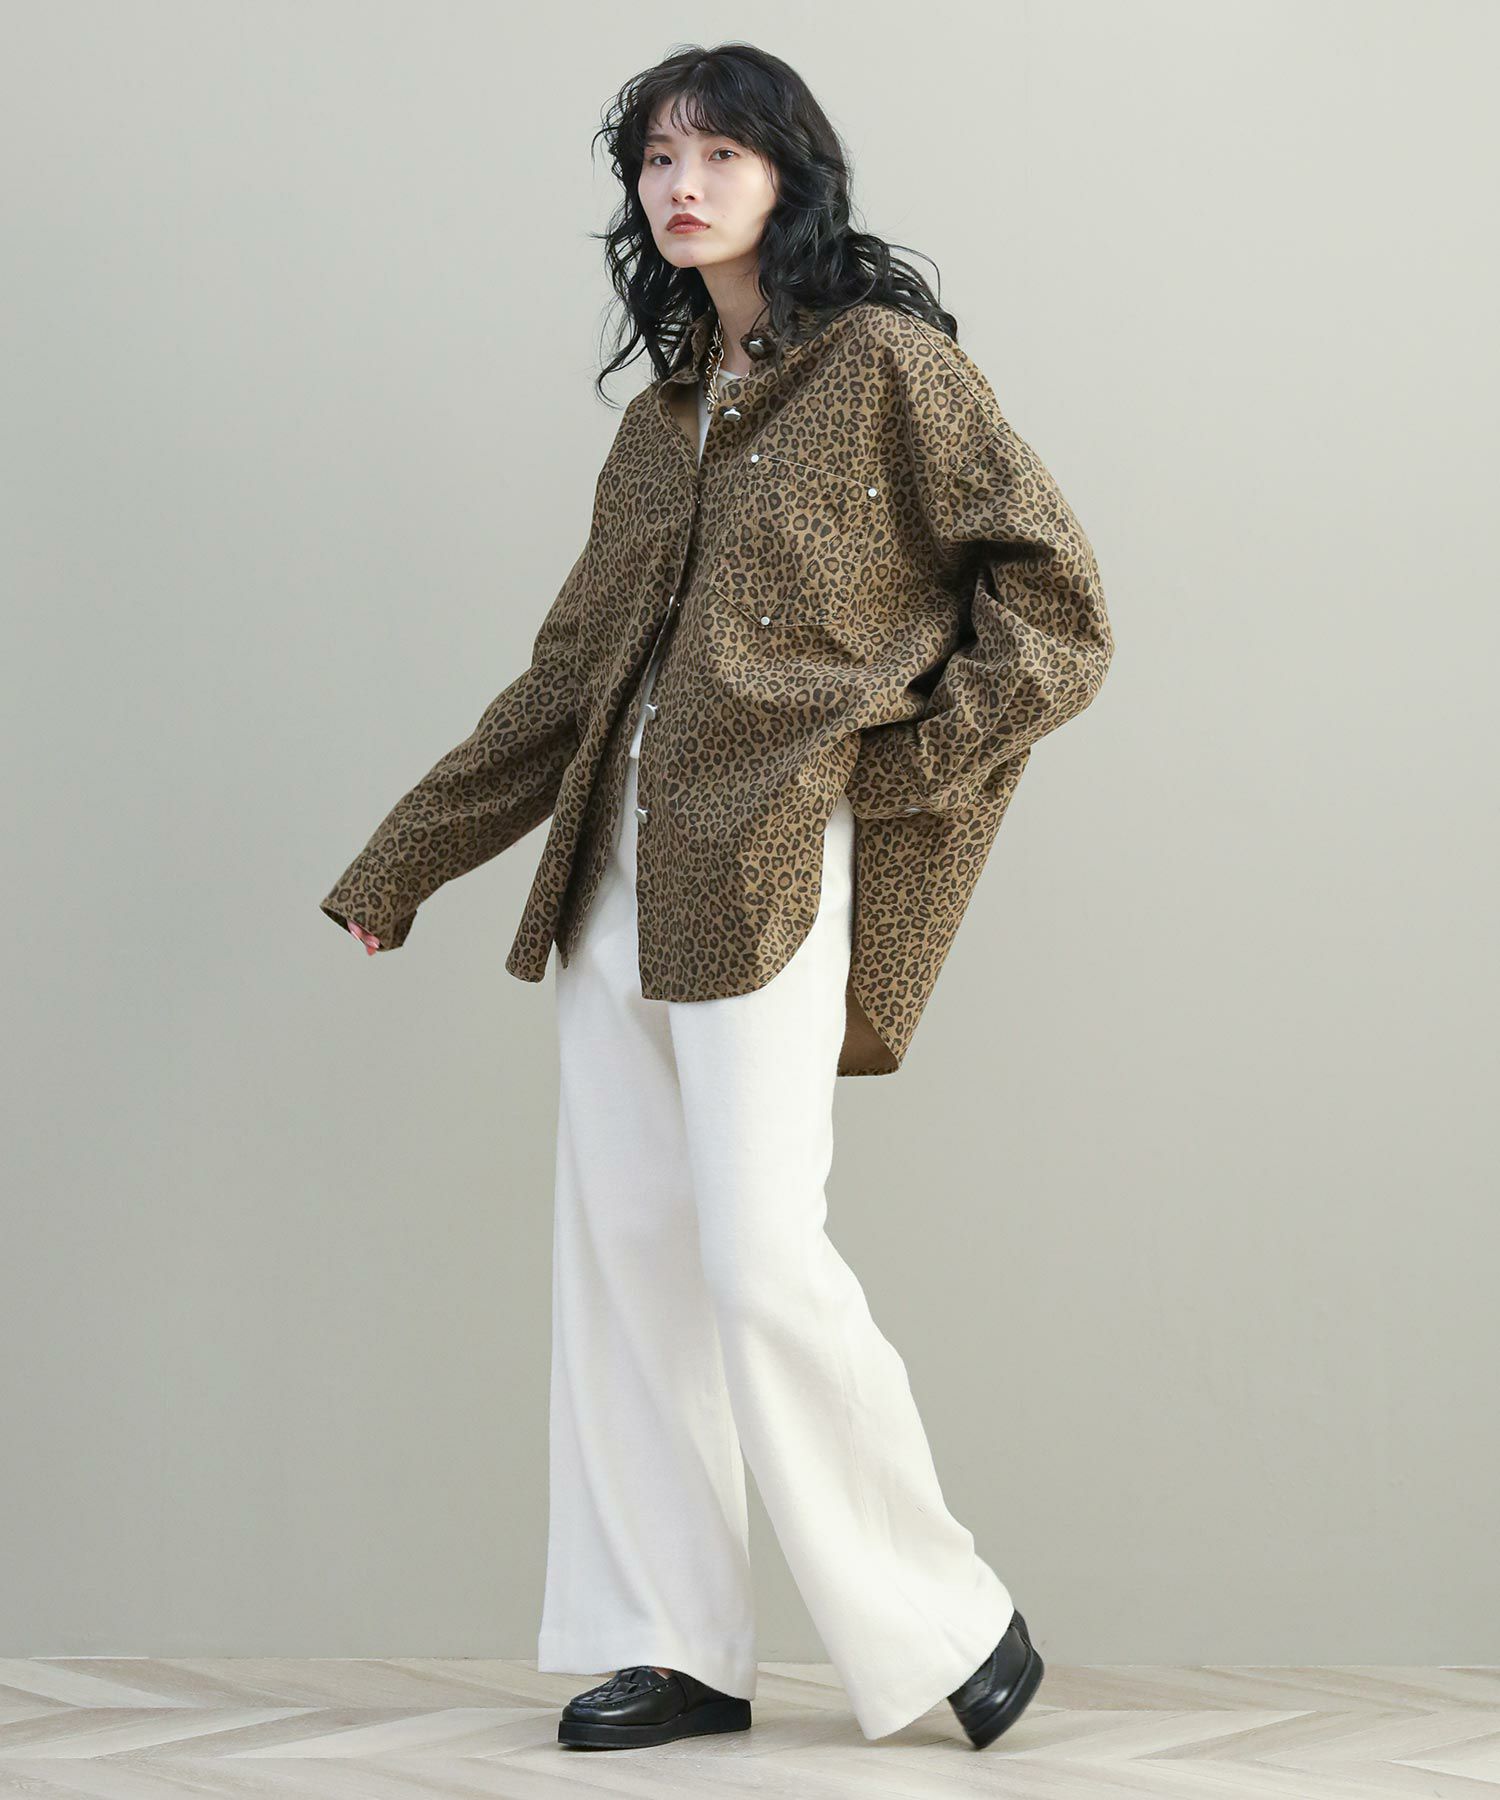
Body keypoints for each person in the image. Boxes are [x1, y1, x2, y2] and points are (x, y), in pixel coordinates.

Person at [320, 42, 1111, 1752]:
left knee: (757, 1255)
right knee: (628, 1261)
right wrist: (406, 863)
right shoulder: (657, 424)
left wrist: (875, 775)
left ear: (788, 175)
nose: (682, 186)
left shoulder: (888, 369)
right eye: (657, 159)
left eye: (720, 154)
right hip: (614, 871)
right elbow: (563, 683)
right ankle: (673, 1646)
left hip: (764, 867)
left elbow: (1058, 609)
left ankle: (954, 1617)